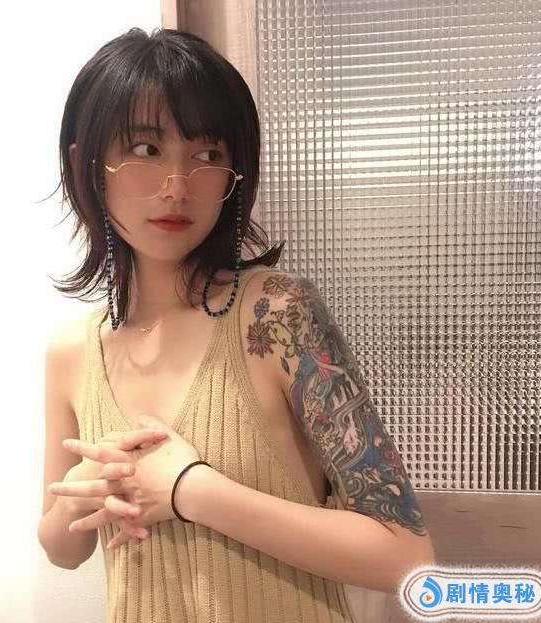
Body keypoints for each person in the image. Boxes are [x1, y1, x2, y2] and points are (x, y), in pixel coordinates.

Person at [37, 27, 436, 623]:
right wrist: (87, 488)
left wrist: (188, 490)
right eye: (145, 148)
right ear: (85, 165)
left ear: (234, 173)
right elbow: (62, 549)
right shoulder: (72, 351)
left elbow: (406, 557)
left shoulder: (277, 315)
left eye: (208, 155)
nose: (177, 185)